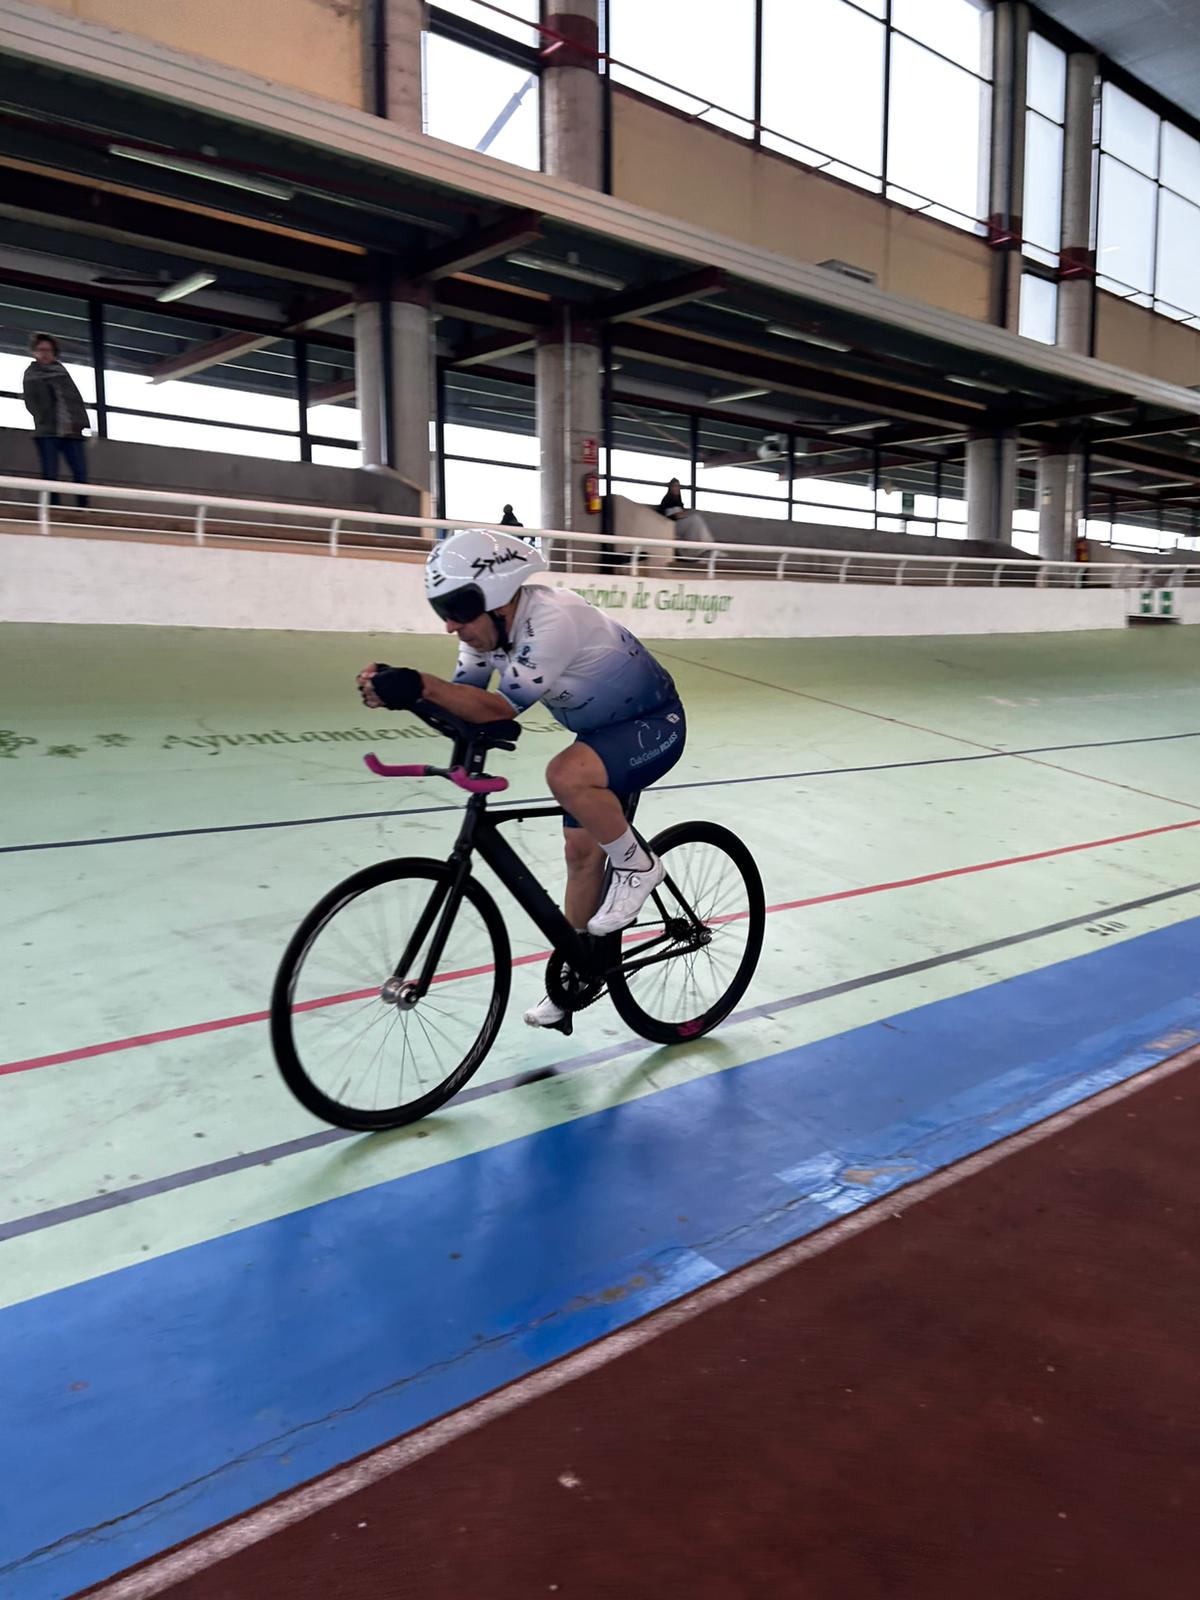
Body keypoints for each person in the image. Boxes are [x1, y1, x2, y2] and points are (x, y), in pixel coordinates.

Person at [357, 528, 686, 1032]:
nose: (450, 626)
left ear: (492, 598)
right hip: (601, 735)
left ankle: (639, 868)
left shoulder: (551, 619)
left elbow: (496, 707)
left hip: (652, 724)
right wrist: (403, 690)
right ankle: (577, 977)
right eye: (440, 610)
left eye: (457, 609)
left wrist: (421, 684)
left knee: (564, 774)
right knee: (580, 856)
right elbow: (464, 704)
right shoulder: (486, 636)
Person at [22, 333, 90, 506]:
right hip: (47, 431)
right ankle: (53, 510)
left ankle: (83, 509)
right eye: (41, 350)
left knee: (80, 472)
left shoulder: (62, 372)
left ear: (54, 352)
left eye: (49, 350)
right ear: (34, 352)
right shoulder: (31, 374)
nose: (45, 353)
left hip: (71, 431)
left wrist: (81, 423)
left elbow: (75, 399)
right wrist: (44, 418)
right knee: (50, 473)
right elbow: (31, 401)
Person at [657, 478, 714, 561]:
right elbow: (666, 517)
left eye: (678, 486)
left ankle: (706, 546)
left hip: (680, 523)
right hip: (671, 526)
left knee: (697, 520)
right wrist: (677, 515)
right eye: (675, 486)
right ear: (670, 487)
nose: (677, 488)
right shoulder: (666, 500)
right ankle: (693, 549)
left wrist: (683, 513)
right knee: (695, 519)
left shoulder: (678, 500)